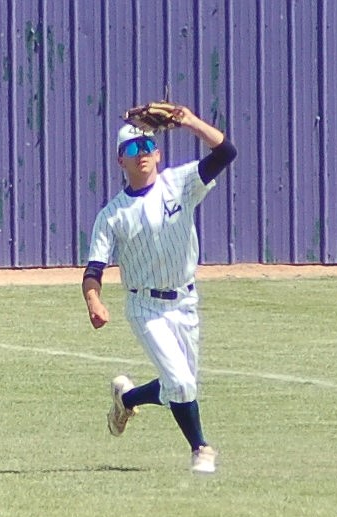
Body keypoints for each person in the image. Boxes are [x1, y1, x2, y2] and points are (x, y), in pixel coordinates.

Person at [82, 105, 237, 473]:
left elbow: (226, 152)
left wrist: (189, 121)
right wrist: (93, 300)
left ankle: (127, 399)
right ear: (122, 161)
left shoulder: (179, 183)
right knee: (182, 384)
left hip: (185, 301)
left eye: (148, 147)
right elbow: (94, 269)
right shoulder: (112, 214)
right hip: (145, 307)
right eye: (133, 150)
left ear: (158, 153)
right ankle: (201, 449)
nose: (143, 155)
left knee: (179, 389)